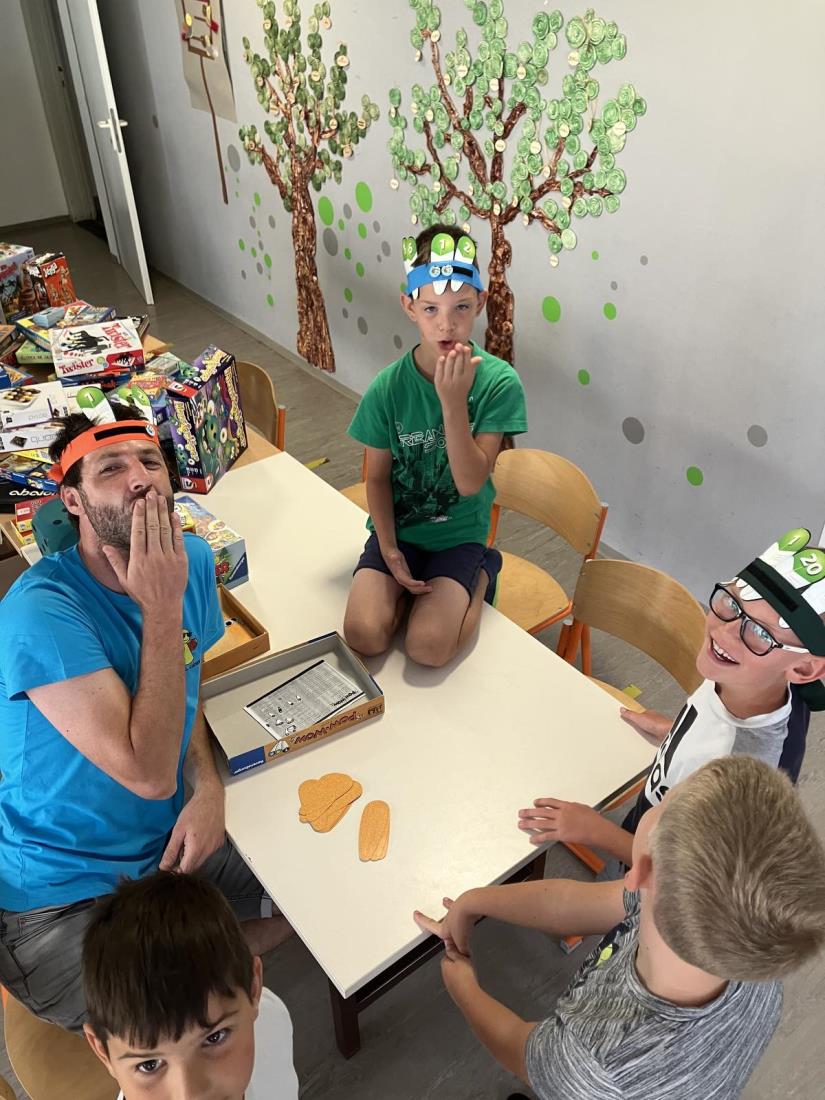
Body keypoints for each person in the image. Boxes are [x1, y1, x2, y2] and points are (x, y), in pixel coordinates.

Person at [0, 403, 289, 1032]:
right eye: (110, 468)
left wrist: (207, 787)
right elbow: (151, 775)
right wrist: (160, 606)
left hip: (167, 851)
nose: (139, 479)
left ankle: (205, 945)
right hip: (58, 899)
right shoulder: (40, 611)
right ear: (72, 501)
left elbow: (191, 689)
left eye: (150, 461)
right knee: (176, 1014)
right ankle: (206, 954)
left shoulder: (192, 561)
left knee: (312, 891)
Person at [414, 755, 825, 1099]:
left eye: (666, 800)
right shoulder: (750, 950)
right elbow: (568, 903)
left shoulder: (591, 1064)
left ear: (640, 870)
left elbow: (516, 1047)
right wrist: (474, 902)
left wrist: (462, 986)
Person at [517, 529, 825, 866]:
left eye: (761, 632)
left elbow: (673, 875)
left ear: (804, 669)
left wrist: (595, 831)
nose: (724, 632)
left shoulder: (743, 783)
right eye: (732, 603)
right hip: (652, 819)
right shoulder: (745, 675)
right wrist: (676, 730)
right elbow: (718, 731)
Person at [343, 225, 527, 668]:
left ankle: (481, 575)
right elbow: (377, 478)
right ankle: (408, 593)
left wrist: (452, 403)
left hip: (458, 537)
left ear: (480, 302)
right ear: (409, 306)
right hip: (400, 533)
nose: (446, 324)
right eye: (431, 308)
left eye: (461, 307)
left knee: (428, 648)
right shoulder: (388, 388)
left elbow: (470, 483)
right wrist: (389, 549)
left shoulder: (499, 383)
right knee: (364, 634)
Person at [83, 871, 299, 1100]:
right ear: (102, 1051)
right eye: (149, 1065)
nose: (189, 1094)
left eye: (215, 1037)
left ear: (253, 988)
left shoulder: (271, 1019)